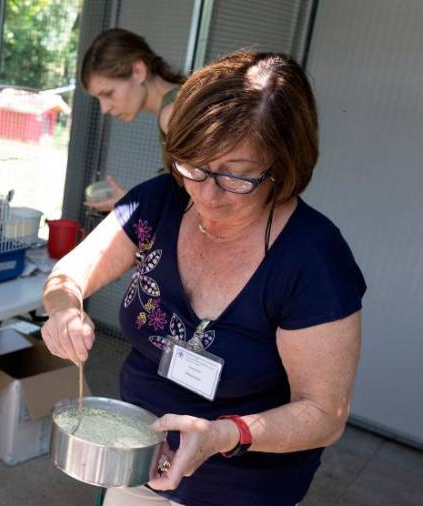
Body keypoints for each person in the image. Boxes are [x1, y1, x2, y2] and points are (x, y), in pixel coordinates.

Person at [42, 51, 366, 506]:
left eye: (236, 176)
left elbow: (324, 414)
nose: (205, 194)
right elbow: (70, 274)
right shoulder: (159, 201)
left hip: (242, 489)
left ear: (284, 165)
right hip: (135, 460)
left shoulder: (314, 260)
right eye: (193, 165)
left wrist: (223, 434)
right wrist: (63, 309)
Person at [80, 29, 184, 213]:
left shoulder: (173, 113)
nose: (104, 109)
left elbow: (197, 200)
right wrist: (131, 200)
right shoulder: (181, 98)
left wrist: (131, 203)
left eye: (108, 94)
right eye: (98, 99)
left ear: (138, 71)